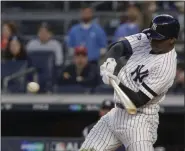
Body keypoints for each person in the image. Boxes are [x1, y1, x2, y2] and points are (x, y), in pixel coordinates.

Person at [80, 14, 180, 151]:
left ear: (172, 40)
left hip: (140, 120)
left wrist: (116, 79)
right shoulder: (147, 38)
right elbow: (118, 47)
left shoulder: (166, 66)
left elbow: (138, 101)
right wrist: (111, 61)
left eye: (158, 39)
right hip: (115, 114)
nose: (152, 41)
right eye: (152, 36)